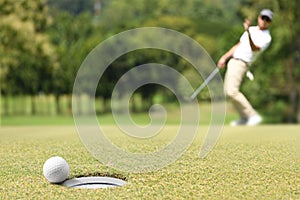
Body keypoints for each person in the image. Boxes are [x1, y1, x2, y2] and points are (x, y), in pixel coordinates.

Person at [217, 9, 273, 126]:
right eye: (263, 18)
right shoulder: (252, 29)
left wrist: (248, 32)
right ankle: (244, 118)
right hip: (233, 60)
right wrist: (225, 57)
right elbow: (239, 45)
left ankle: (252, 116)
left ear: (270, 22)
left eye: (267, 19)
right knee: (228, 92)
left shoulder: (267, 37)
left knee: (231, 91)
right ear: (259, 18)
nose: (264, 21)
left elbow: (255, 48)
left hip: (242, 63)